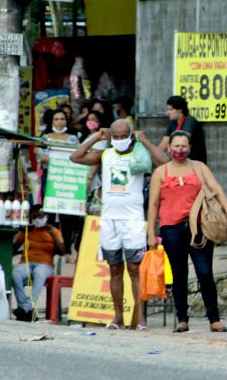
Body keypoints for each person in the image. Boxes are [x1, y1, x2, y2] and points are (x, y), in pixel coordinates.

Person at [70, 119, 168, 329]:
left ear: (131, 136)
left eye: (125, 136)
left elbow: (164, 162)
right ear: (112, 137)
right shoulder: (105, 155)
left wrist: (145, 141)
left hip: (132, 221)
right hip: (109, 220)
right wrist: (97, 136)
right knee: (114, 270)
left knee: (134, 270)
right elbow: (75, 157)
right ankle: (118, 318)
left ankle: (140, 319)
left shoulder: (140, 156)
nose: (121, 140)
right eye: (117, 137)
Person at [147, 131, 227, 333]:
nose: (180, 150)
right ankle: (182, 319)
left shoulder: (199, 167)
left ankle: (214, 319)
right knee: (179, 274)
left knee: (205, 272)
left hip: (200, 228)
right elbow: (153, 205)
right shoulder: (161, 172)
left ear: (190, 148)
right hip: (171, 229)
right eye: (176, 146)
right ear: (169, 148)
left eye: (184, 146)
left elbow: (217, 189)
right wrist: (151, 233)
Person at [38, 108, 81, 263]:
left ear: (66, 120)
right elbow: (42, 157)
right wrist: (62, 162)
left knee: (67, 216)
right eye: (56, 119)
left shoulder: (73, 138)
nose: (59, 122)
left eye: (62, 119)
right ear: (52, 121)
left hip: (68, 179)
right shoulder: (45, 137)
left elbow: (78, 156)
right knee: (49, 214)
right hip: (50, 178)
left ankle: (67, 250)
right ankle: (48, 249)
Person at [12, 204, 65, 322]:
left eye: (40, 216)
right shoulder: (29, 229)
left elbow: (62, 251)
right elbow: (14, 248)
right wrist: (22, 230)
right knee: (15, 274)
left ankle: (25, 308)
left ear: (46, 216)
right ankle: (26, 309)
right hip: (26, 261)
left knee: (39, 273)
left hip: (44, 263)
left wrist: (51, 232)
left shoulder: (53, 230)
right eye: (35, 216)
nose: (37, 219)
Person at [159, 96, 207, 163]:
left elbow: (182, 141)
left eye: (171, 109)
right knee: (154, 159)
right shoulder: (173, 123)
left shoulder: (189, 120)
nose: (168, 112)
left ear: (180, 110)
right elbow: (162, 148)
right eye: (167, 110)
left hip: (193, 161)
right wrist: (146, 142)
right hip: (178, 158)